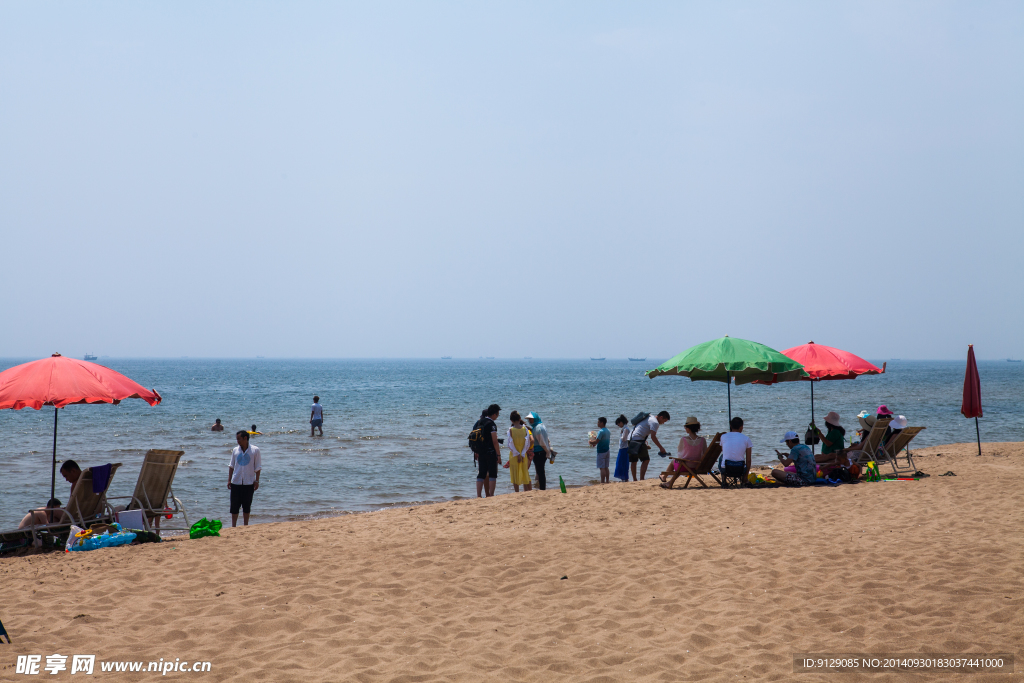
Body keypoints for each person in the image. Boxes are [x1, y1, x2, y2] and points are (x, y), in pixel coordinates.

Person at [659, 416, 706, 489]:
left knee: (674, 461)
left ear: (688, 429)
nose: (685, 429)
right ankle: (668, 482)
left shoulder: (684, 439)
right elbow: (704, 454)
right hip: (697, 466)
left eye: (685, 427)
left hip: (686, 467)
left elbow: (680, 454)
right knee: (680, 463)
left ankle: (664, 477)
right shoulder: (703, 440)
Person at [228, 430, 262, 527]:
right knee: (234, 506)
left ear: (245, 438)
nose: (237, 441)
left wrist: (257, 480)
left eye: (239, 439)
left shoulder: (255, 450)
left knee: (246, 506)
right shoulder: (235, 450)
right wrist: (229, 480)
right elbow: (231, 466)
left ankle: (245, 525)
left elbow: (258, 467)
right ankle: (233, 526)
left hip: (249, 482)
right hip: (236, 482)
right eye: (237, 439)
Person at [628, 411, 670, 481]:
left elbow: (642, 427)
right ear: (661, 417)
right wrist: (661, 448)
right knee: (646, 460)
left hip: (630, 438)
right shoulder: (655, 422)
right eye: (664, 421)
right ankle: (641, 479)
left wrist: (644, 439)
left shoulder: (649, 417)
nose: (663, 423)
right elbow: (653, 437)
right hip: (638, 439)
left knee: (634, 461)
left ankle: (635, 479)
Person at [472, 404, 503, 497]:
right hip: (490, 452)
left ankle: (478, 495)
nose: (497, 416)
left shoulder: (480, 422)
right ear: (494, 414)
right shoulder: (492, 424)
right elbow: (494, 441)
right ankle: (491, 495)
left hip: (481, 452)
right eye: (498, 414)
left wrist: (476, 451)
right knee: (492, 474)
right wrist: (498, 455)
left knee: (481, 474)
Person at [504, 411, 533, 492]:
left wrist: (517, 454)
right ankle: (529, 491)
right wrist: (522, 454)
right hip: (523, 453)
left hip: (514, 454)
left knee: (515, 472)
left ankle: (517, 492)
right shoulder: (525, 429)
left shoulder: (511, 430)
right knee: (525, 472)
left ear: (511, 420)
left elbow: (510, 444)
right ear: (520, 419)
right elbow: (527, 444)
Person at [718, 417, 752, 484]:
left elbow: (724, 451)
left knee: (722, 457)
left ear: (730, 426)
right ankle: (743, 480)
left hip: (726, 469)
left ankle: (724, 481)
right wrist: (746, 476)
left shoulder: (723, 436)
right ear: (741, 427)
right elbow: (748, 460)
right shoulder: (746, 439)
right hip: (740, 469)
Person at [524, 412, 552, 490]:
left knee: (540, 472)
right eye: (529, 419)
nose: (530, 421)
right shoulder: (541, 426)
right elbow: (547, 439)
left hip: (539, 452)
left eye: (531, 419)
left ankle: (542, 488)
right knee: (540, 471)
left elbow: (542, 442)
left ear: (535, 419)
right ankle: (540, 486)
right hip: (541, 452)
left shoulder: (537, 428)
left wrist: (547, 451)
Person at [591, 417, 611, 484]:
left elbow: (596, 441)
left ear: (602, 423)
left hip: (601, 451)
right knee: (606, 467)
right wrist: (596, 438)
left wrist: (590, 442)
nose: (597, 423)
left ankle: (602, 481)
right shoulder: (608, 430)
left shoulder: (601, 431)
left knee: (602, 468)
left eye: (598, 422)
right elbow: (601, 439)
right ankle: (607, 481)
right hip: (607, 450)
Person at [613, 415, 631, 482]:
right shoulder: (625, 428)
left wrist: (621, 435)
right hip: (623, 448)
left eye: (618, 423)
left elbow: (624, 439)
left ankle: (625, 478)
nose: (618, 425)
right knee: (621, 463)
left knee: (622, 464)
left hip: (624, 448)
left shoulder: (625, 429)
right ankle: (623, 478)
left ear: (621, 422)